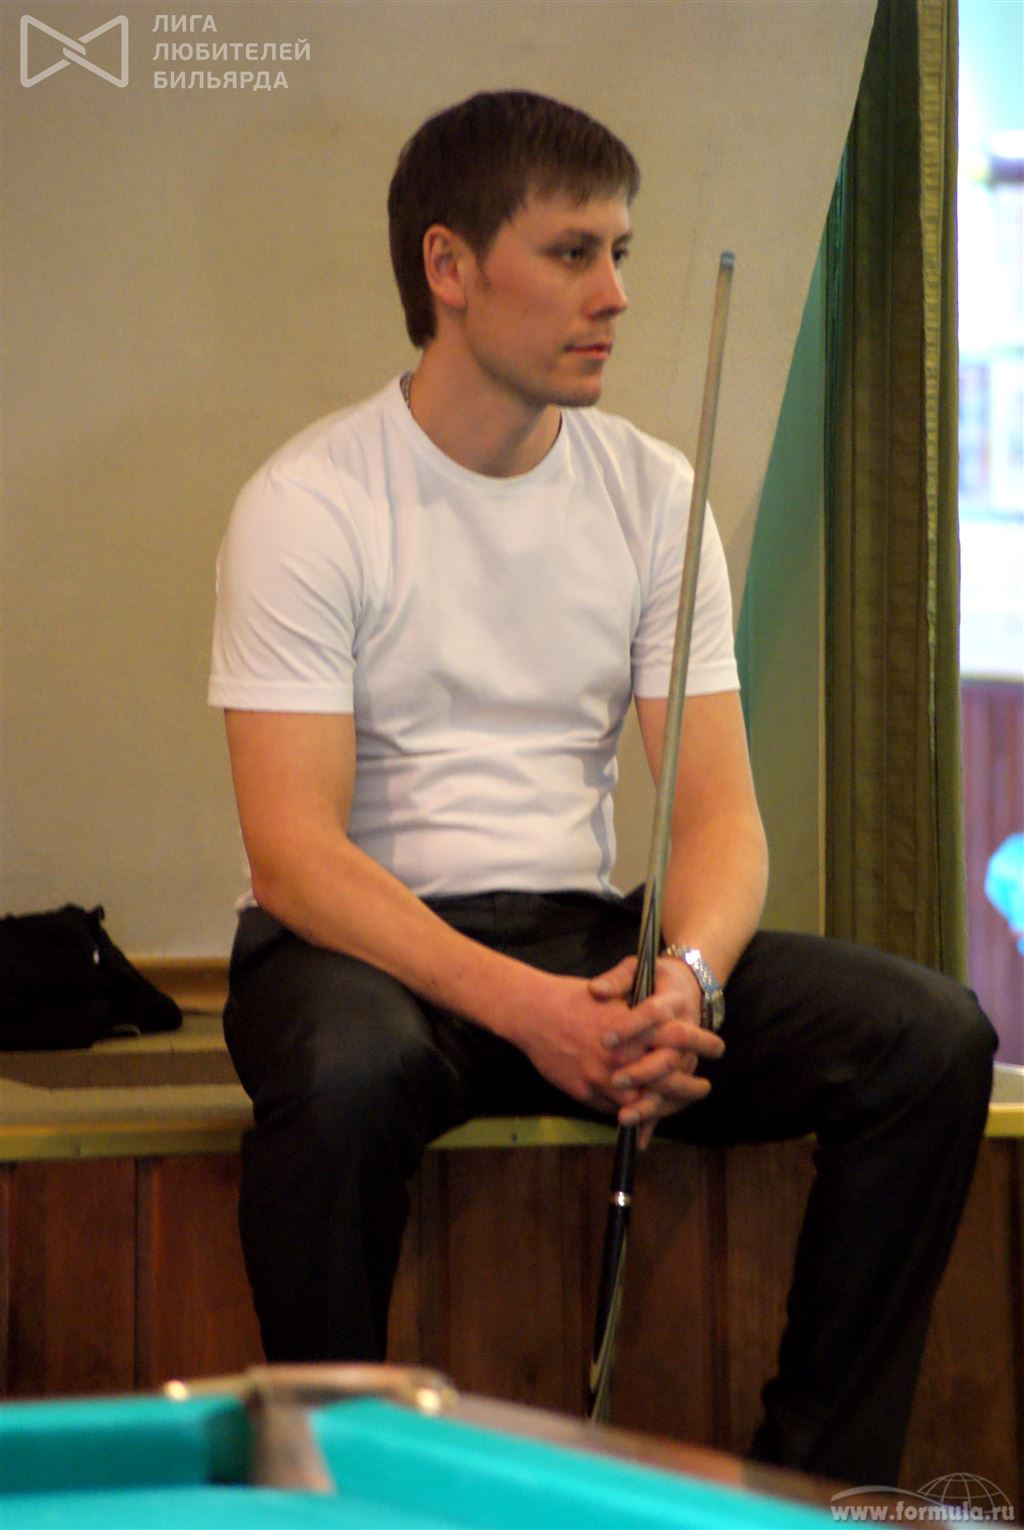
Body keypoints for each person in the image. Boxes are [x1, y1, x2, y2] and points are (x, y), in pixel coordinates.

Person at [208, 90, 995, 1486]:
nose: (616, 293)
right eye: (573, 253)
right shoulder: (310, 502)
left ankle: (818, 1487)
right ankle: (324, 1491)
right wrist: (530, 1011)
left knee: (929, 1035)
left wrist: (685, 977)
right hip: (365, 954)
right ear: (450, 268)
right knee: (346, 1075)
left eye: (619, 251)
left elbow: (719, 817)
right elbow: (294, 857)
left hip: (581, 941)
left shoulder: (651, 492)